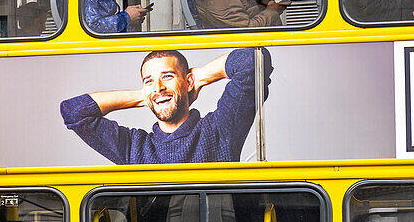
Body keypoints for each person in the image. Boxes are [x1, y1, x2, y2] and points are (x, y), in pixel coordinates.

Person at [60, 47, 271, 165]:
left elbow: (252, 61)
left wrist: (200, 77)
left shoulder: (220, 129)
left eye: (167, 77)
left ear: (188, 82)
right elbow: (74, 112)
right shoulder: (134, 148)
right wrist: (144, 97)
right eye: (149, 81)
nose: (159, 87)